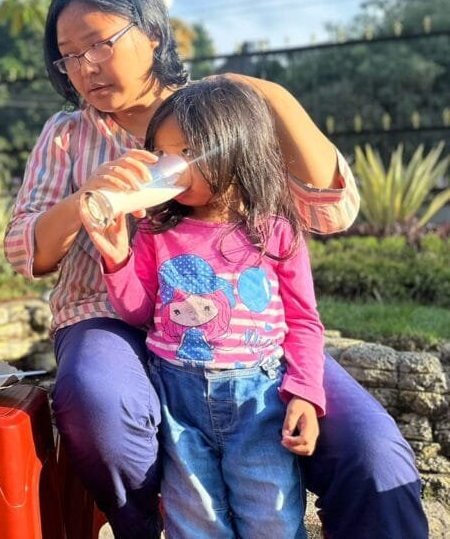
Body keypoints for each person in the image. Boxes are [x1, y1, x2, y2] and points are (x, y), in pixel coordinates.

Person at [3, 0, 426, 538]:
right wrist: (86, 200)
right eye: (68, 55)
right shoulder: (68, 134)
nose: (85, 67)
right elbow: (24, 251)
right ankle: (144, 526)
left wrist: (266, 95)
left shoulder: (225, 117)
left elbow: (331, 211)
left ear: (152, 32)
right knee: (100, 403)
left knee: (374, 455)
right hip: (108, 318)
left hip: (246, 339)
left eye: (99, 43)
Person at [81, 77, 325, 538]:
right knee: (195, 522)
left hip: (260, 401)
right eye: (163, 153)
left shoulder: (274, 231)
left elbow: (304, 321)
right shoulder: (156, 230)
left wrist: (306, 395)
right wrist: (117, 258)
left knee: (271, 518)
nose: (171, 166)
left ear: (238, 147)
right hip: (179, 399)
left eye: (189, 151)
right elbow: (138, 312)